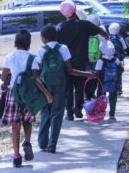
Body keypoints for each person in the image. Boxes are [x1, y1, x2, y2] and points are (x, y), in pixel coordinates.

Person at [36, 25, 96, 153]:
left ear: (44, 38)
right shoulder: (63, 48)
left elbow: (38, 71)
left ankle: (42, 143)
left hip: (46, 85)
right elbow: (70, 70)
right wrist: (86, 74)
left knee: (46, 112)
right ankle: (52, 145)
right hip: (61, 84)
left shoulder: (41, 50)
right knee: (57, 113)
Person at [0, 30, 53, 167]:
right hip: (29, 94)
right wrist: (47, 94)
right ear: (29, 43)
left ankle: (17, 156)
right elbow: (36, 80)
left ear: (15, 42)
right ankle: (27, 141)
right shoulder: (32, 58)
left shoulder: (9, 57)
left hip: (13, 93)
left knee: (15, 125)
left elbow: (3, 77)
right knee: (28, 120)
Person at [57, 0, 109, 121]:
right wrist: (106, 35)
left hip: (66, 63)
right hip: (81, 62)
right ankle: (78, 110)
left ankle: (69, 112)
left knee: (68, 89)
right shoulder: (84, 24)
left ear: (63, 14)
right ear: (75, 11)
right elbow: (100, 31)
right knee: (80, 87)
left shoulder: (60, 27)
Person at [95, 40, 123, 120]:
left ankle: (100, 112)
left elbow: (97, 72)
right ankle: (112, 114)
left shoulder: (100, 61)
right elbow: (121, 69)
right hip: (113, 82)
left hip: (102, 83)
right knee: (113, 98)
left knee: (100, 97)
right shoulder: (116, 60)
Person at [108, 22, 126, 95]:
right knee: (119, 74)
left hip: (110, 59)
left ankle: (110, 87)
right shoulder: (120, 39)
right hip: (119, 59)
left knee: (110, 73)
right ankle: (119, 88)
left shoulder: (108, 39)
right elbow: (124, 48)